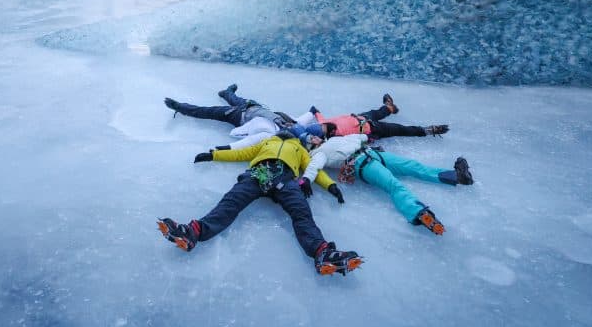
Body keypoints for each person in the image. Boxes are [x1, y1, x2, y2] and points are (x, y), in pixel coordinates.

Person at [157, 132, 361, 275]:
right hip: (258, 173)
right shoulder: (266, 143)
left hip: (286, 178)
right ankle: (193, 232)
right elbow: (241, 153)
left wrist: (331, 186)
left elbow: (315, 171)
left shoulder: (300, 150)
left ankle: (322, 252)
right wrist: (213, 155)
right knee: (232, 202)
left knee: (301, 213)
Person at [300, 132, 474, 235]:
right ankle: (419, 213)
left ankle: (455, 177)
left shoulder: (334, 139)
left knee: (412, 166)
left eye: (313, 135)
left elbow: (359, 136)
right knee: (393, 184)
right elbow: (314, 167)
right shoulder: (319, 153)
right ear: (309, 145)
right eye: (310, 138)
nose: (314, 137)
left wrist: (365, 135)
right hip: (362, 165)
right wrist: (306, 179)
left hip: (373, 153)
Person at [164, 84, 335, 149]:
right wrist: (314, 112)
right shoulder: (295, 123)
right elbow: (307, 118)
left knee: (207, 111)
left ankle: (180, 107)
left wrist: (227, 147)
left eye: (314, 137)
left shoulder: (274, 135)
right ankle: (226, 92)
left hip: (238, 116)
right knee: (235, 98)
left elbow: (244, 140)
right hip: (253, 106)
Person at [309, 93, 449, 140]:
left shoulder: (325, 126)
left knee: (381, 113)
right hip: (373, 128)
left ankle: (390, 107)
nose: (324, 125)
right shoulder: (335, 137)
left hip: (362, 118)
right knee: (399, 129)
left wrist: (314, 111)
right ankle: (428, 130)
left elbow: (318, 114)